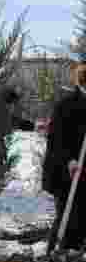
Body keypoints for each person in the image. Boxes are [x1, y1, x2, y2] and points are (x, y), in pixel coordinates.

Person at [42, 64, 86, 252]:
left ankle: (76, 260)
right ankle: (55, 259)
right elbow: (55, 139)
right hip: (65, 173)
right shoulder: (66, 105)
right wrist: (70, 160)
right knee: (68, 219)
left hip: (82, 172)